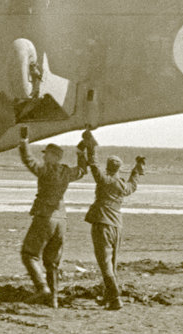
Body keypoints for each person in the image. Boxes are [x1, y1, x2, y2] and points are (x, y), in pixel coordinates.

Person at [17, 132, 89, 305]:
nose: (44, 156)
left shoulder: (46, 170)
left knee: (29, 254)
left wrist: (24, 141)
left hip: (44, 217)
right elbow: (82, 170)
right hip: (61, 220)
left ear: (53, 156)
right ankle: (53, 299)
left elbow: (29, 160)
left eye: (46, 154)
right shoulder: (66, 172)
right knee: (52, 262)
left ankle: (42, 288)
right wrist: (81, 153)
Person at [84, 138, 144, 310]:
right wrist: (138, 168)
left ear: (108, 167)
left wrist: (91, 146)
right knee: (112, 263)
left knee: (105, 264)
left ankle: (116, 298)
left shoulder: (105, 180)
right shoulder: (122, 185)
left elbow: (94, 166)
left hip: (102, 224)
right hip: (117, 226)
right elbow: (133, 184)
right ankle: (108, 297)